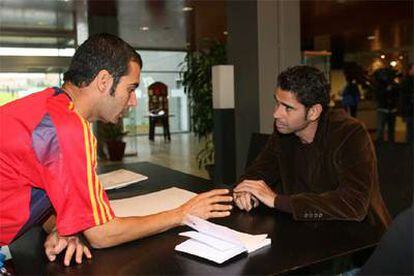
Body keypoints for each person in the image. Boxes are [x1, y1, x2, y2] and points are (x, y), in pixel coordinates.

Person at [0, 33, 232, 266]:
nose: (133, 101)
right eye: (130, 89)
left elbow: (36, 191)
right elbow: (101, 235)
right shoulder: (66, 128)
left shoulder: (46, 107)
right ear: (104, 81)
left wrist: (65, 227)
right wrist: (182, 214)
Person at [233, 65, 391, 229]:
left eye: (288, 108)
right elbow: (259, 171)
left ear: (314, 112)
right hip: (306, 231)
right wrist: (245, 190)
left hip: (359, 239)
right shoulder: (285, 131)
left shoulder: (349, 133)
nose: (276, 114)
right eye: (277, 103)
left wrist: (277, 201)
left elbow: (354, 204)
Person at [373, 67, 399, 143]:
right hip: (383, 109)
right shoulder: (379, 86)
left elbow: (396, 95)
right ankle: (381, 144)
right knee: (381, 128)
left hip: (389, 109)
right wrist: (386, 90)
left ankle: (390, 143)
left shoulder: (393, 85)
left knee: (389, 129)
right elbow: (378, 96)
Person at [399, 63, 414, 143]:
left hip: (409, 109)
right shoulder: (406, 82)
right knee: (410, 131)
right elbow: (403, 98)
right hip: (409, 110)